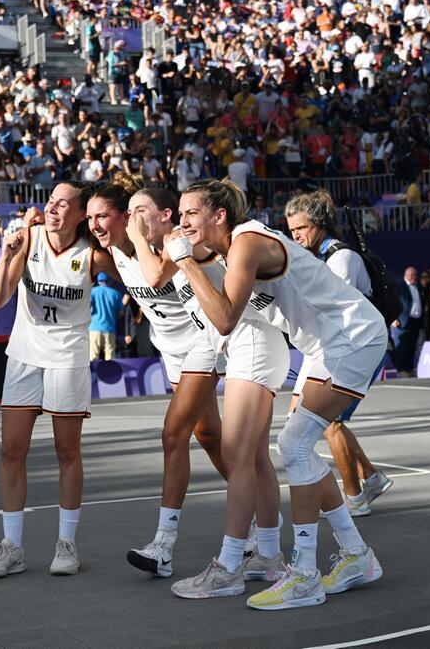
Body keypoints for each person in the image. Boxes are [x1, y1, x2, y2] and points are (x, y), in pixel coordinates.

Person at [166, 178, 385, 610]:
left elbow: (226, 318)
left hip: (351, 336)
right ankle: (357, 555)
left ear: (219, 216)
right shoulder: (230, 250)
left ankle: (304, 574)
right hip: (323, 347)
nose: (182, 221)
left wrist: (185, 263)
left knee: (295, 444)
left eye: (190, 212)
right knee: (297, 445)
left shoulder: (247, 242)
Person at [83, 177, 286, 583]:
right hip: (172, 352)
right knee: (210, 438)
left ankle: (163, 545)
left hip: (204, 344)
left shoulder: (177, 241)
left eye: (105, 215)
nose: (95, 224)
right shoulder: (111, 255)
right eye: (90, 218)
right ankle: (257, 519)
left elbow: (157, 275)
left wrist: (140, 237)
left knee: (173, 434)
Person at [0, 181, 118, 578]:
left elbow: (136, 277)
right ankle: (12, 547)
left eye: (64, 205)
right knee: (11, 450)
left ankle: (67, 544)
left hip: (67, 359)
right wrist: (7, 259)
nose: (54, 209)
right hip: (24, 355)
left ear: (80, 214)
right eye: (50, 202)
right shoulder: (28, 238)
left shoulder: (92, 254)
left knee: (67, 452)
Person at [284, 192, 392, 516]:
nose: (296, 236)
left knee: (328, 421)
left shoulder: (341, 258)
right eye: (291, 231)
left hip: (358, 346)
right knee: (324, 420)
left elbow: (331, 310)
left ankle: (355, 497)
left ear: (319, 225)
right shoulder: (317, 256)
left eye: (301, 228)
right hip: (335, 348)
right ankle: (370, 477)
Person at [392, 267, 423, 375]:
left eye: (415, 275)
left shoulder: (418, 286)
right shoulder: (399, 286)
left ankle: (409, 368)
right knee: (401, 347)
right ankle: (401, 370)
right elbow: (391, 302)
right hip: (401, 321)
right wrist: (393, 318)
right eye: (411, 275)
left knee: (412, 346)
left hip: (415, 321)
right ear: (406, 275)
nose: (413, 277)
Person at [89, 272, 122, 360]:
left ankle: (93, 374)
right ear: (109, 281)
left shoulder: (92, 291)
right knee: (110, 357)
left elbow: (87, 307)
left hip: (94, 328)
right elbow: (121, 313)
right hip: (110, 328)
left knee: (93, 357)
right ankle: (111, 374)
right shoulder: (116, 293)